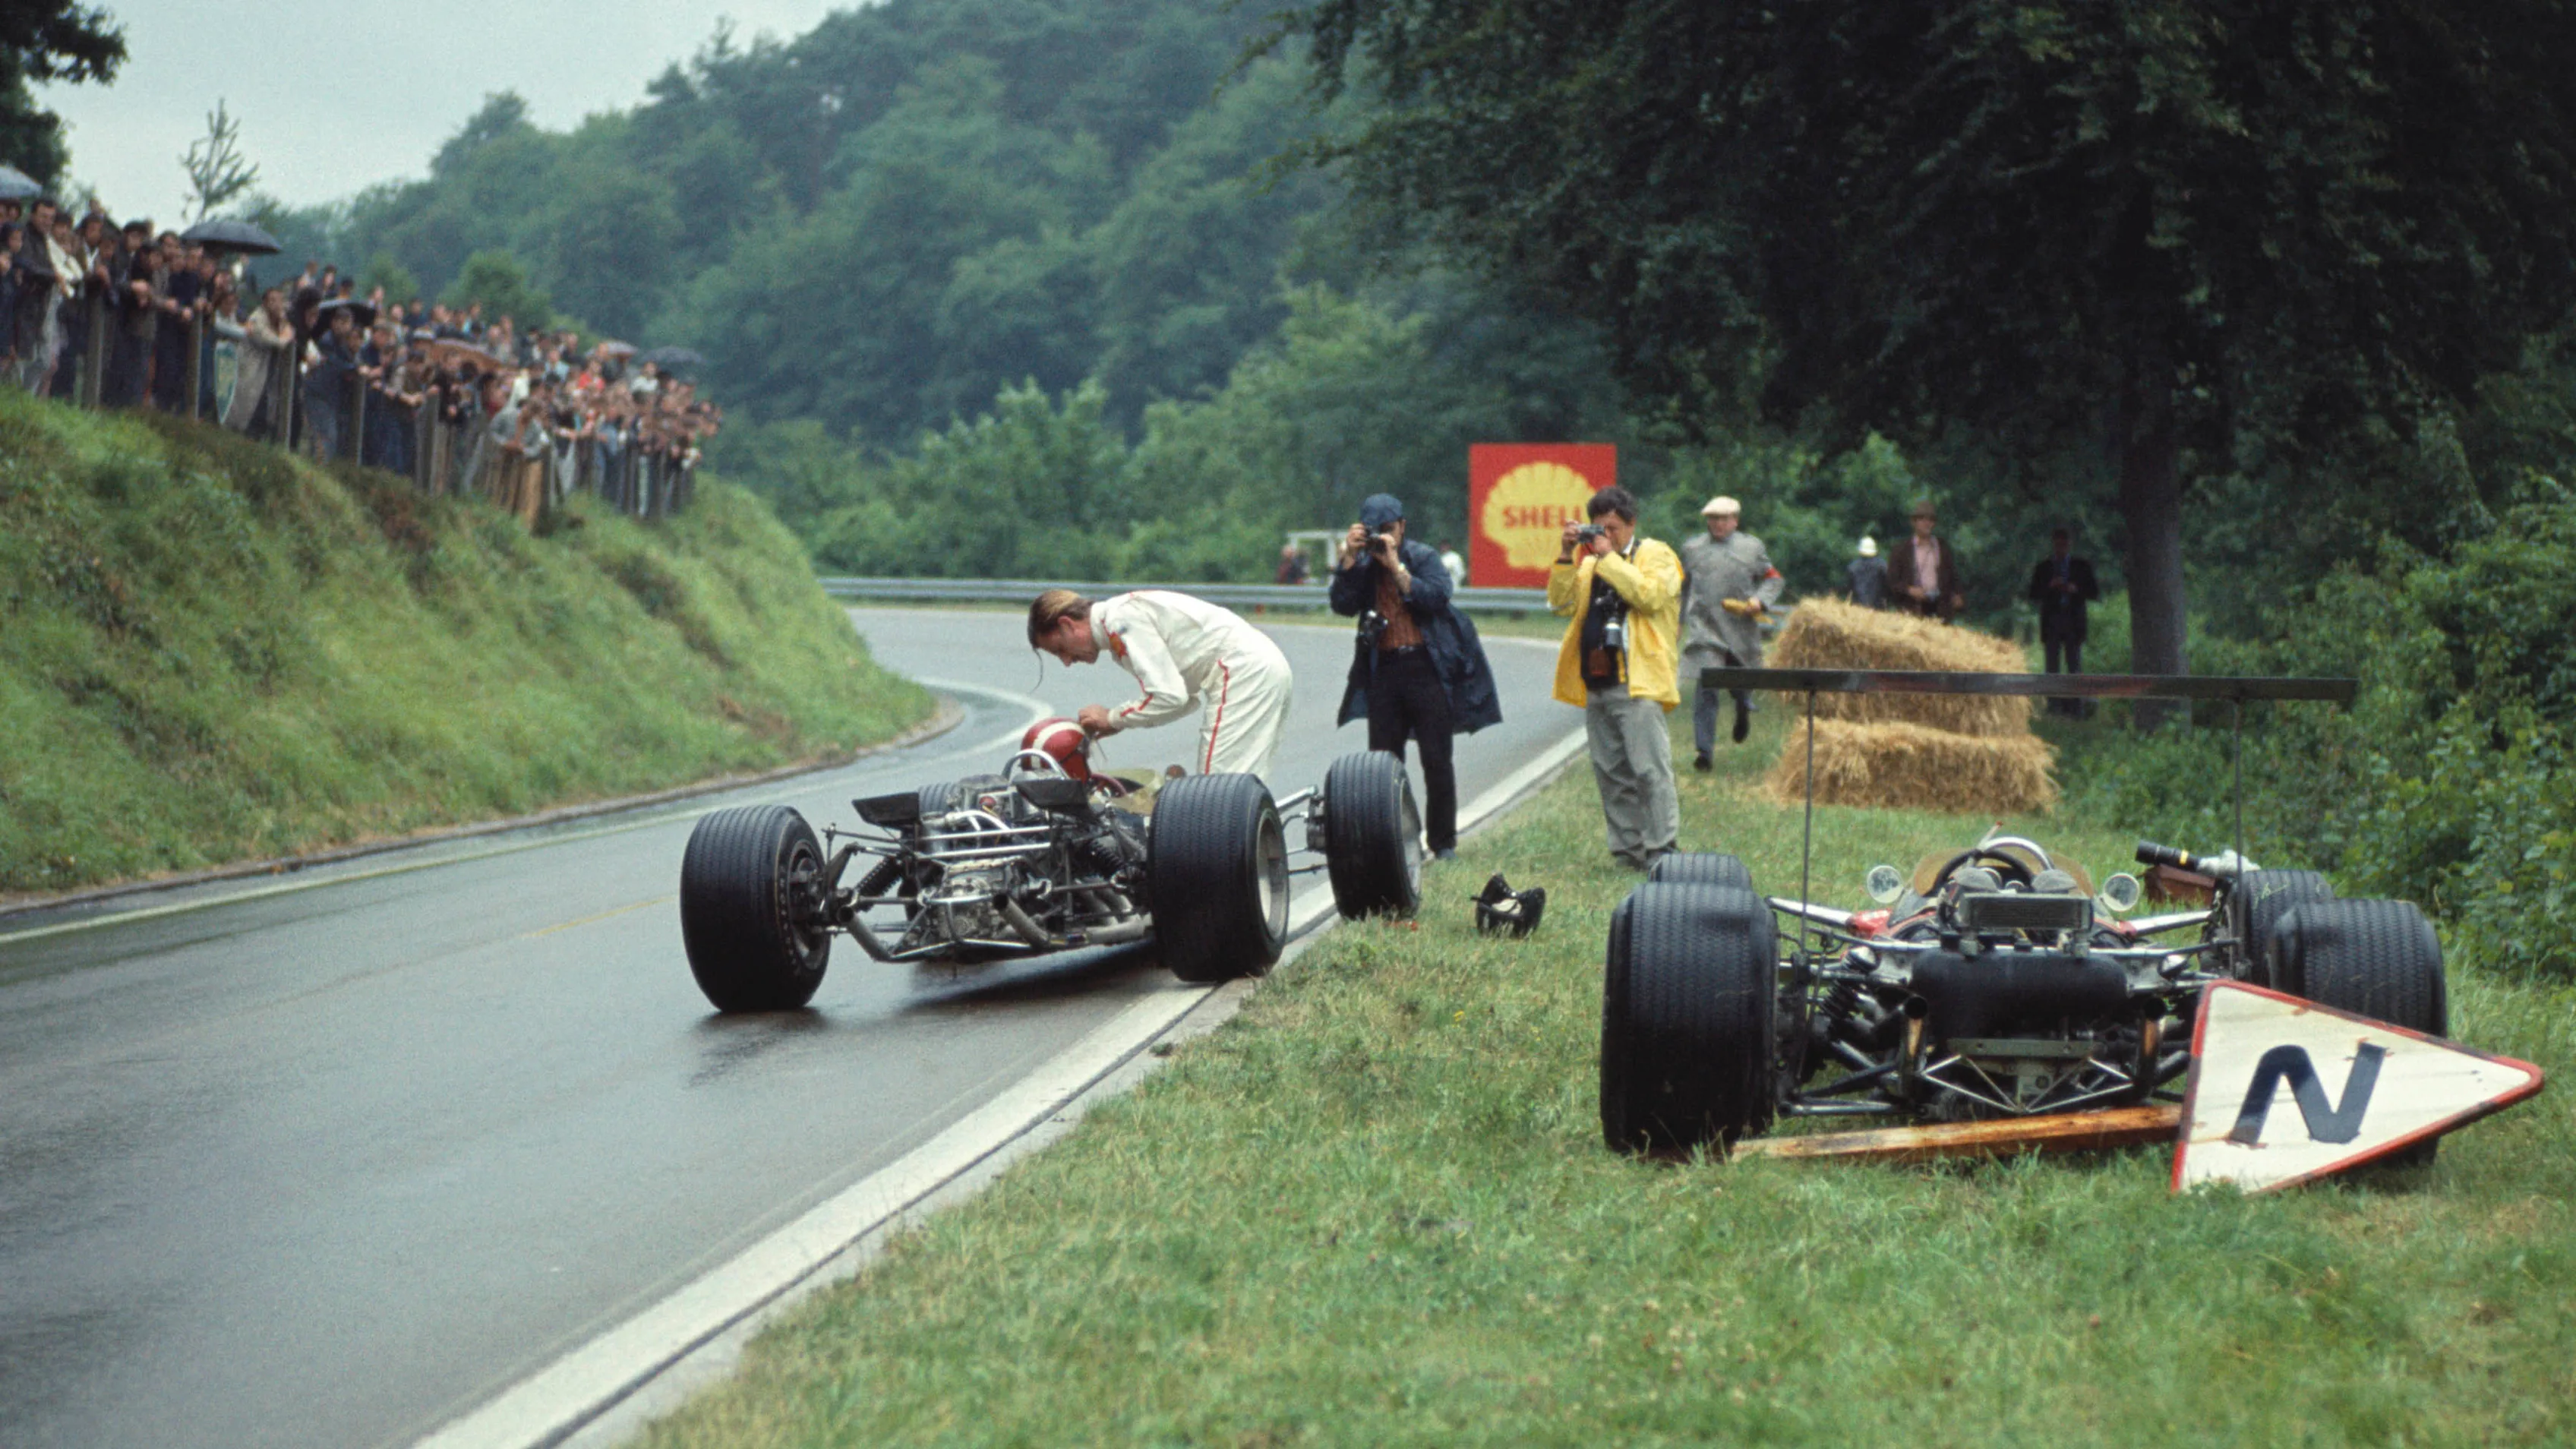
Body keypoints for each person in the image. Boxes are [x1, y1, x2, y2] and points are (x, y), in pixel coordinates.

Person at [1328, 492, 1502, 860]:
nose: (1383, 538)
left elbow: (1438, 596)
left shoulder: (1422, 557)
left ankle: (1443, 844)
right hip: (1385, 670)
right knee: (1384, 764)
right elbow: (1342, 605)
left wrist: (1396, 567)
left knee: (1437, 759)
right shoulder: (1362, 565)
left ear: (1402, 527)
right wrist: (1347, 559)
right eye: (1376, 531)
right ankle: (1394, 843)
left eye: (1389, 530)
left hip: (1427, 667)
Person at [1547, 485, 1684, 872]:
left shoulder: (1656, 554)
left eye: (1614, 528)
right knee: (1611, 773)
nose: (1606, 536)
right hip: (1598, 680)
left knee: (1648, 770)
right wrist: (1565, 554)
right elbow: (1560, 605)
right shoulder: (1589, 565)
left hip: (1638, 681)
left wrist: (1609, 557)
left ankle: (1662, 849)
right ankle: (1628, 851)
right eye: (1599, 529)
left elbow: (1651, 596)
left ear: (1631, 523)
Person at [1028, 586, 1296, 781]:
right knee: (1242, 788)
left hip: (1242, 672)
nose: (1066, 661)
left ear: (1067, 625)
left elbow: (1170, 697)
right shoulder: (1119, 619)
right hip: (1261, 666)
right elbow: (1184, 701)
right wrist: (1117, 722)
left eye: (1060, 649)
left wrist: (1112, 718)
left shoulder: (1120, 620)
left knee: (1217, 795)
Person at [1678, 494, 1785, 768]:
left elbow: (1773, 578)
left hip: (1739, 626)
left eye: (1724, 519)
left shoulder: (1752, 548)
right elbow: (1683, 587)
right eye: (1713, 519)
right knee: (1707, 684)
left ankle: (1742, 705)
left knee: (1740, 681)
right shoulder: (1692, 549)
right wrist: (1679, 622)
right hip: (1705, 629)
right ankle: (1704, 752)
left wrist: (1760, 601)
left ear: (1735, 521)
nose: (1718, 524)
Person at [2027, 525, 2101, 715]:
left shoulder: (2080, 566)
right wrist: (2050, 586)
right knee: (2052, 667)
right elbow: (2033, 594)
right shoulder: (2044, 568)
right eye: (2058, 545)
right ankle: (2053, 706)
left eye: (2064, 545)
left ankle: (2077, 707)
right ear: (2054, 545)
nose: (2061, 548)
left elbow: (2094, 592)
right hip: (2052, 621)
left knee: (2074, 665)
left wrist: (2076, 590)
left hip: (2073, 620)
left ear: (2070, 545)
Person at [1886, 499, 1963, 620]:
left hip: (1940, 609)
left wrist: (1958, 595)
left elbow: (1953, 575)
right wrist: (1910, 590)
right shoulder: (1901, 550)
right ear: (1914, 522)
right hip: (1913, 609)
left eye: (1931, 520)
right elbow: (1892, 581)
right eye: (1922, 519)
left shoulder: (1942, 548)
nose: (1927, 524)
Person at [1847, 535, 1887, 608]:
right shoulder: (1882, 566)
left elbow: (1849, 588)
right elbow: (1887, 587)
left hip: (1857, 608)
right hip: (1877, 609)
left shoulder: (1853, 567)